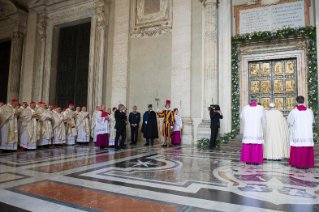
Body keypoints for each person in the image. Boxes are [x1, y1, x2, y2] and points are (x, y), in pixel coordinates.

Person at [287, 96, 314, 169]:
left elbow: (290, 122)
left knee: (297, 147)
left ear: (296, 101)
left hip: (298, 132)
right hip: (306, 133)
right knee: (305, 147)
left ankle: (297, 163)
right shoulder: (309, 111)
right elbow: (312, 121)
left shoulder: (294, 111)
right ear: (304, 101)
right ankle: (306, 164)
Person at [240, 96, 266, 165]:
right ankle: (256, 161)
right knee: (256, 144)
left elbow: (242, 117)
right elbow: (263, 119)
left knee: (248, 144)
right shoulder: (260, 108)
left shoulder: (245, 108)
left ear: (250, 100)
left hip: (248, 129)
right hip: (256, 129)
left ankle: (247, 160)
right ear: (257, 100)